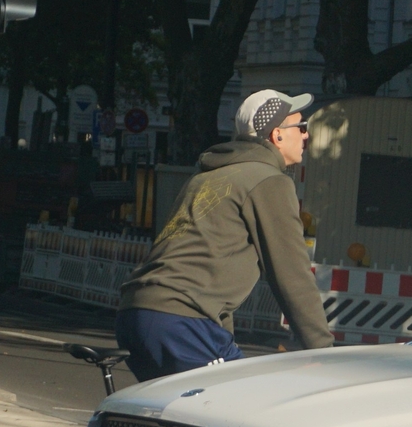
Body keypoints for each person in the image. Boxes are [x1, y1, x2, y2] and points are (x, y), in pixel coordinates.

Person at [116, 89, 335, 381]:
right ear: (277, 135)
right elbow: (291, 274)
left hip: (136, 310)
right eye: (301, 126)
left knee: (177, 417)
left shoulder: (206, 177)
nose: (306, 135)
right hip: (182, 321)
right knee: (240, 408)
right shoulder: (269, 181)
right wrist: (322, 351)